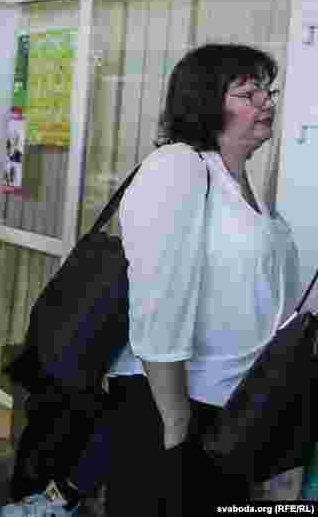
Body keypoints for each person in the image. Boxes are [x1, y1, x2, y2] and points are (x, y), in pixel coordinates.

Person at [104, 44, 301, 515]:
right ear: (206, 101)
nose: (266, 103)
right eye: (249, 93)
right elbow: (159, 298)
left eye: (268, 91)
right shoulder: (180, 166)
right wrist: (176, 424)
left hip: (231, 410)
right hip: (171, 406)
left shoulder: (243, 184)